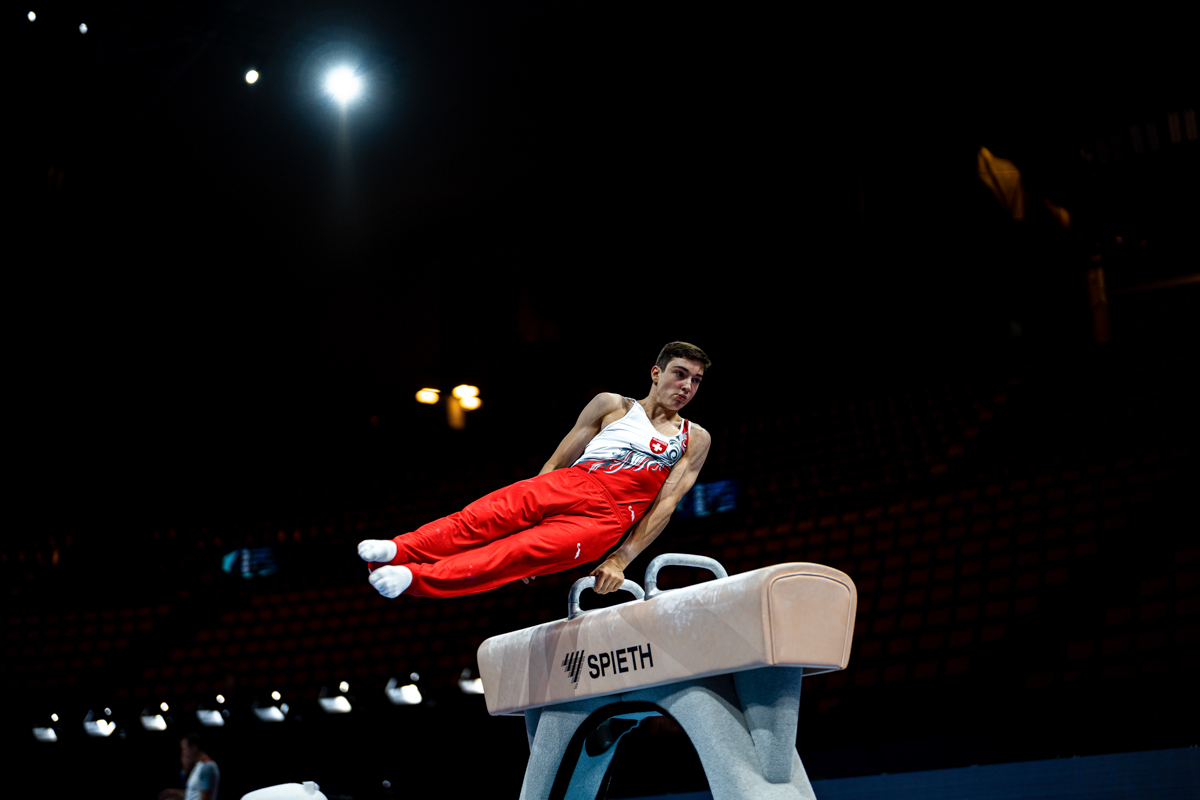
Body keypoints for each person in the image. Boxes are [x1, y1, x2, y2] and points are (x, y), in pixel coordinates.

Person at [358, 341, 713, 598]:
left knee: (513, 556)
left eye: (695, 380)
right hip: (569, 481)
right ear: (656, 373)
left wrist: (620, 560)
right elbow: (558, 462)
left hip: (606, 520)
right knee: (478, 518)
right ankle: (398, 549)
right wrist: (537, 506)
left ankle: (413, 578)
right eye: (680, 374)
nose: (686, 386)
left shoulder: (693, 438)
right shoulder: (612, 405)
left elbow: (665, 506)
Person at [159, 732, 220, 800]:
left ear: (194, 747)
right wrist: (176, 793)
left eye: (184, 749)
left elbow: (205, 797)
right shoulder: (199, 765)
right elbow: (193, 795)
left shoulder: (207, 766)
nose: (184, 753)